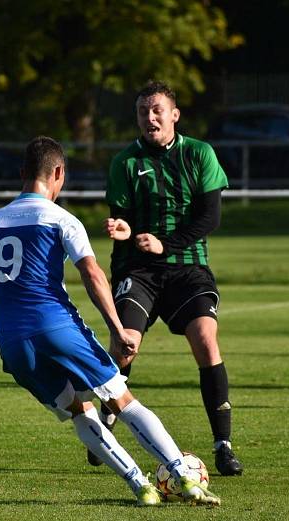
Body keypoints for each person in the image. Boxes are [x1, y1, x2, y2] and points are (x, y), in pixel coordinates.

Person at [0, 136, 220, 506]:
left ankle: (140, 486)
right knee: (121, 400)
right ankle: (183, 476)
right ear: (58, 173)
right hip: (56, 327)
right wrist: (116, 327)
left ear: (22, 174)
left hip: (13, 347)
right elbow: (92, 273)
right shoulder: (59, 218)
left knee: (80, 410)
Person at [101, 80, 243, 476]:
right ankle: (107, 428)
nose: (150, 117)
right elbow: (123, 220)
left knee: (205, 338)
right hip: (139, 270)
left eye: (158, 110)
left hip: (188, 268)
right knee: (125, 346)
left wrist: (167, 243)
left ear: (174, 114)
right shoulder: (125, 162)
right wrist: (124, 231)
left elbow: (210, 217)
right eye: (143, 111)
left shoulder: (199, 154)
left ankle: (223, 446)